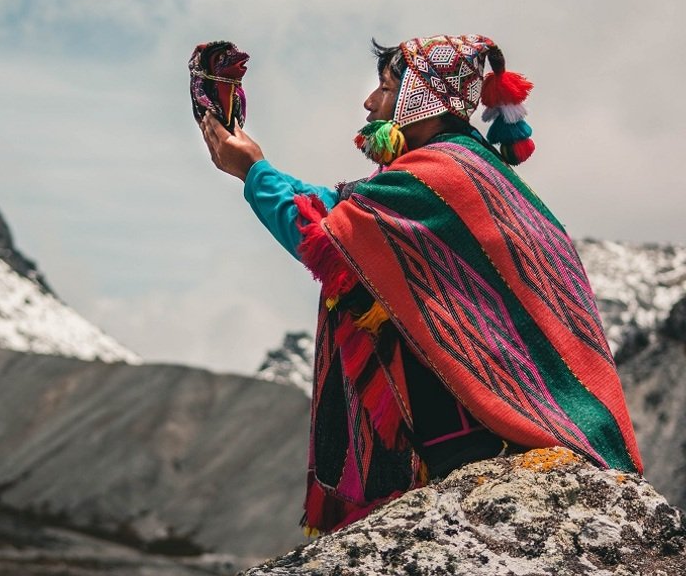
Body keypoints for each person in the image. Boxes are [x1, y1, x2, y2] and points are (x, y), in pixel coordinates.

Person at [199, 34, 643, 537]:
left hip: (486, 442)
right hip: (529, 434)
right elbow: (340, 208)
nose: (370, 103)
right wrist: (254, 168)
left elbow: (328, 236)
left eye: (386, 88)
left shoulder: (439, 178)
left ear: (421, 98)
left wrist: (253, 173)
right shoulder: (467, 172)